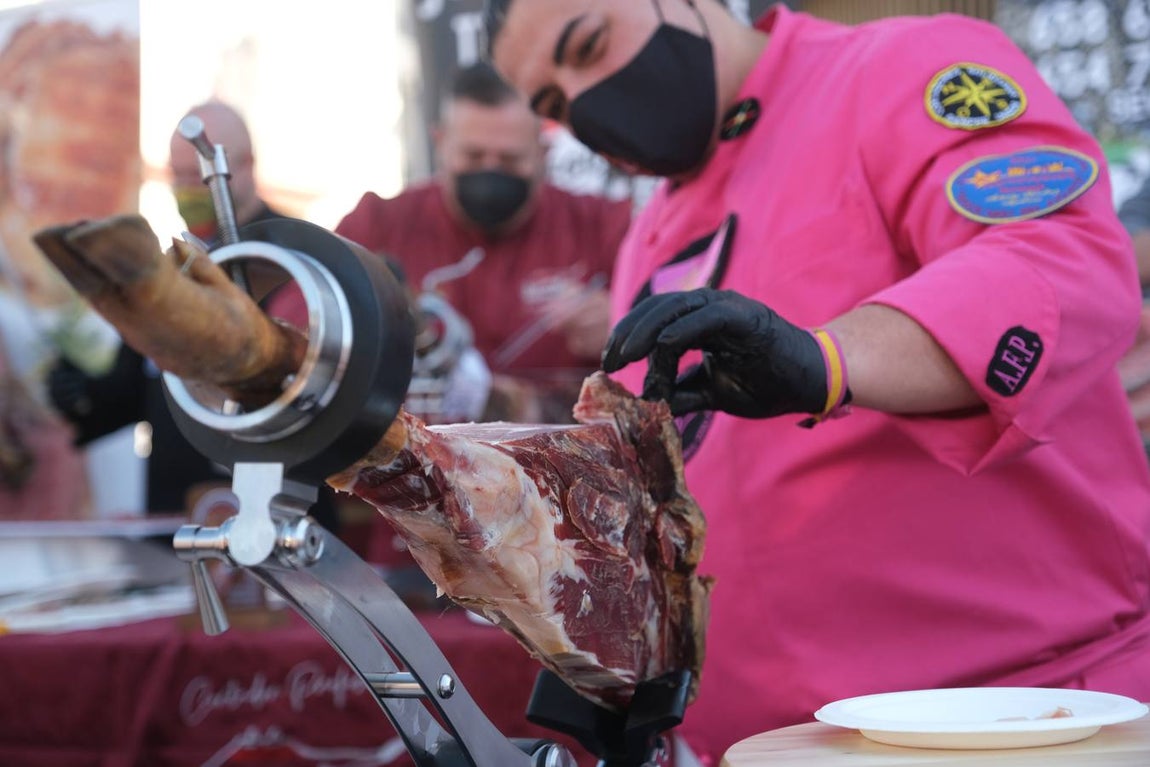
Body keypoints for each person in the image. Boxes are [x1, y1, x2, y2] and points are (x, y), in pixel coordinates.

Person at [485, 0, 1150, 763]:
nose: (587, 102)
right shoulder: (649, 238)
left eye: (589, 45)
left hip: (1012, 717)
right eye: (555, 105)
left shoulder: (899, 70)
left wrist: (828, 361)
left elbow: (1062, 258)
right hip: (765, 741)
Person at [48, 101, 339, 529]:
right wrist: (85, 394)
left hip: (283, 515)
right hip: (177, 520)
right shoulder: (171, 269)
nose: (187, 189)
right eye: (177, 176)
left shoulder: (303, 260)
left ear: (244, 165)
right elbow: (145, 387)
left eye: (196, 175)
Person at [332, 62, 633, 423]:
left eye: (510, 159)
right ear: (441, 143)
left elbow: (679, 326)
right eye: (473, 156)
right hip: (408, 464)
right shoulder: (378, 226)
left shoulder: (603, 227)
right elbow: (304, 319)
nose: (490, 169)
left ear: (543, 152)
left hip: (559, 466)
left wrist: (626, 324)